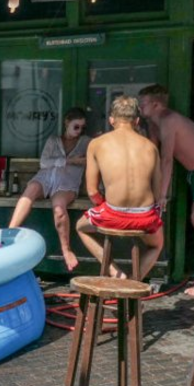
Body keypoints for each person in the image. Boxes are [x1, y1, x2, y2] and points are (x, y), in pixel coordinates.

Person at [137, 84, 194, 291]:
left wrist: (162, 195)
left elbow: (167, 159)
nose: (139, 108)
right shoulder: (152, 123)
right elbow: (153, 154)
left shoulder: (170, 120)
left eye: (142, 104)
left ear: (156, 104)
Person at [76, 96, 164, 280]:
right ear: (137, 121)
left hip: (113, 214)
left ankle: (116, 273)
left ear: (111, 120)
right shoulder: (151, 147)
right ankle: (134, 280)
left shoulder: (96, 144)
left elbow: (92, 191)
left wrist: (104, 206)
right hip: (144, 216)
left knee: (80, 227)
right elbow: (157, 194)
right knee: (157, 245)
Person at [8, 107, 91, 271]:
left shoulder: (86, 142)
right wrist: (70, 161)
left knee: (59, 207)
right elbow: (44, 163)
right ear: (67, 123)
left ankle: (66, 250)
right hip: (46, 178)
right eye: (76, 126)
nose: (79, 131)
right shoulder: (54, 140)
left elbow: (92, 159)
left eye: (82, 127)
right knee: (30, 189)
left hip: (67, 183)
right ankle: (9, 231)